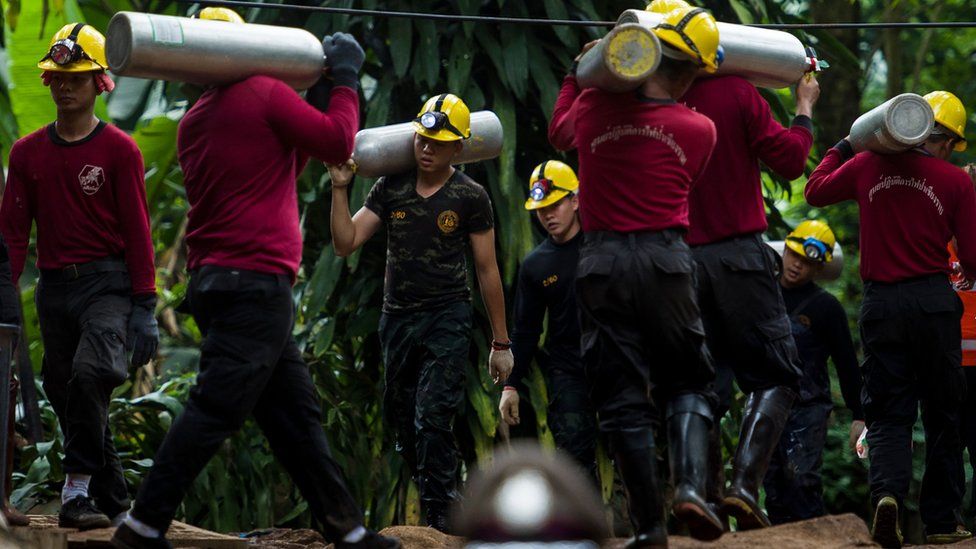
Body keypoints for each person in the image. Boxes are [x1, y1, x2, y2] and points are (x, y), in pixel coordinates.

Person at [112, 27, 398, 549]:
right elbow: (335, 142)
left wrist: (313, 97)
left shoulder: (195, 120)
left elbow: (286, 160)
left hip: (221, 282)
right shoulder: (263, 92)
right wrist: (347, 80)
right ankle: (142, 525)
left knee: (295, 417)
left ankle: (348, 531)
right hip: (254, 284)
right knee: (215, 407)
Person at [549, 6, 724, 546]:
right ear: (693, 72)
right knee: (687, 380)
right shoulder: (700, 129)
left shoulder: (594, 108)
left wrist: (576, 74)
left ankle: (649, 528)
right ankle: (692, 489)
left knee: (621, 396)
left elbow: (559, 134)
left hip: (600, 264)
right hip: (666, 261)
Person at [328, 93, 513, 532]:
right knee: (401, 421)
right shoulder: (391, 187)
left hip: (447, 317)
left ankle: (441, 522)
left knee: (433, 418)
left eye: (439, 142)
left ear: (458, 148)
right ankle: (447, 501)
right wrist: (339, 187)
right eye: (423, 139)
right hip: (398, 319)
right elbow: (345, 241)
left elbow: (487, 270)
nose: (427, 148)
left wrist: (500, 344)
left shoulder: (470, 196)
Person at [0, 23, 156, 530]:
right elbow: (13, 236)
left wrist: (146, 307)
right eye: (57, 77)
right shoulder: (26, 155)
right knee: (67, 391)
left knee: (91, 375)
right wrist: (4, 299)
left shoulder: (119, 151)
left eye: (77, 77)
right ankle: (114, 500)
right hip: (53, 289)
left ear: (99, 83)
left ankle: (74, 491)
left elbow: (137, 231)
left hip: (106, 284)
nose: (64, 86)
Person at [805, 90, 976, 548]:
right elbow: (973, 258)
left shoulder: (866, 167)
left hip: (882, 305)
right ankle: (941, 521)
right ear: (940, 138)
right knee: (943, 412)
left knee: (888, 410)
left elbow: (814, 190)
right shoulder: (956, 182)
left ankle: (888, 499)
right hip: (935, 303)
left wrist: (846, 143)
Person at [498, 161, 597, 480]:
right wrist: (511, 385)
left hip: (617, 366)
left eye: (555, 205)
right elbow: (526, 331)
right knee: (573, 458)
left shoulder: (606, 244)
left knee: (633, 446)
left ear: (575, 200)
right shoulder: (536, 265)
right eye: (541, 209)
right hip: (568, 372)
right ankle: (585, 531)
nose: (548, 215)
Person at [762, 220, 864, 524]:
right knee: (772, 485)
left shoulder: (826, 307)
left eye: (808, 262)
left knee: (801, 478)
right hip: (764, 403)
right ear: (784, 253)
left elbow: (846, 363)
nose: (797, 266)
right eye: (795, 256)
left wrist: (860, 414)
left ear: (819, 269)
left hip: (808, 407)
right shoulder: (762, 295)